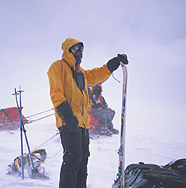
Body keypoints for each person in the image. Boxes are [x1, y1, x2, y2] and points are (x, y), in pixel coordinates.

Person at [47, 38, 129, 188]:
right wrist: (67, 116)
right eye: (76, 47)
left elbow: (96, 76)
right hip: (68, 121)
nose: (79, 51)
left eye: (81, 49)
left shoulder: (81, 72)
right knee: (73, 158)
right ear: (67, 49)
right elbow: (56, 93)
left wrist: (112, 65)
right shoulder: (57, 66)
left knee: (83, 158)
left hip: (83, 122)